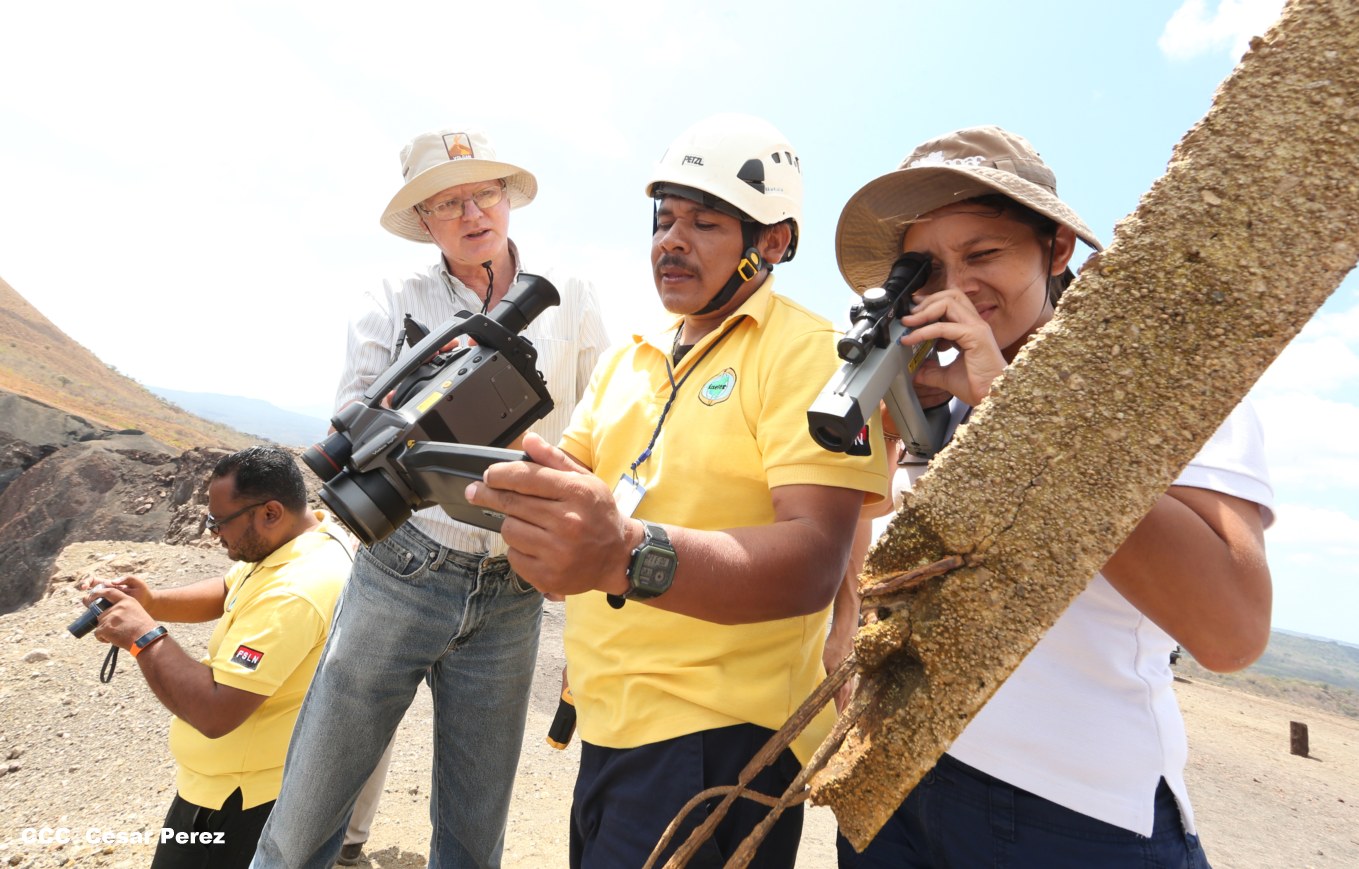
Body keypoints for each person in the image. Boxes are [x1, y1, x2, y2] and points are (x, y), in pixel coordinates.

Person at [832, 126, 1274, 868]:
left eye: (983, 254)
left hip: (1073, 811)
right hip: (892, 781)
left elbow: (1231, 630)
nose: (956, 287)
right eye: (925, 269)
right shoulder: (933, 391)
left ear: (1057, 249)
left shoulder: (1157, 380)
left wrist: (1018, 413)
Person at [465, 113, 889, 869]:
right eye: (663, 220)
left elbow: (812, 563)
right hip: (610, 721)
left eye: (705, 222)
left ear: (773, 241)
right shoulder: (627, 359)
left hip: (718, 738)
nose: (672, 241)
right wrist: (460, 436)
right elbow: (568, 496)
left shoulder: (811, 354)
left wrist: (623, 554)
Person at [252, 126, 608, 869]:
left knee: (475, 836)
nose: (473, 214)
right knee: (305, 816)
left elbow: (602, 424)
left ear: (507, 198)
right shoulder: (392, 297)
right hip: (403, 564)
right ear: (423, 219)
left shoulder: (571, 296)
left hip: (516, 583)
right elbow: (351, 415)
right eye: (448, 203)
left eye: (485, 193)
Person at [80, 446, 356, 869]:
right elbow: (232, 587)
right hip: (240, 786)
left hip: (237, 804)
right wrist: (152, 602)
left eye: (219, 521)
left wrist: (142, 636)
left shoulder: (294, 593)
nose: (212, 532)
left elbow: (215, 713)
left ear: (270, 512)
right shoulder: (306, 538)